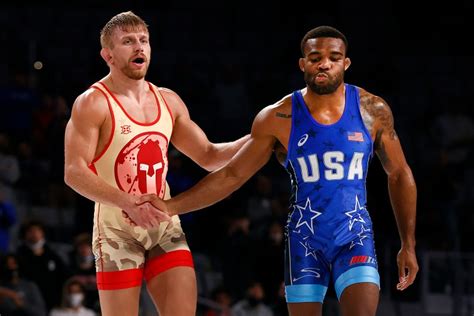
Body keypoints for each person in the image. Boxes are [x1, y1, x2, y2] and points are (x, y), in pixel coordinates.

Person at [135, 25, 419, 316]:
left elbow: (399, 173)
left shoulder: (372, 110)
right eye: (315, 57)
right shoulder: (278, 117)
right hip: (305, 241)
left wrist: (407, 243)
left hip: (355, 236)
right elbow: (232, 175)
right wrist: (170, 206)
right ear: (302, 63)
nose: (324, 63)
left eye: (334, 57)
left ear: (345, 63)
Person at [63, 11, 249, 316]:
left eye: (144, 40)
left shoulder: (168, 100)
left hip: (164, 224)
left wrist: (261, 137)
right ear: (107, 54)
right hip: (115, 228)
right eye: (128, 41)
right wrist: (129, 203)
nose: (139, 47)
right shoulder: (93, 102)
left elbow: (210, 156)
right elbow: (74, 172)